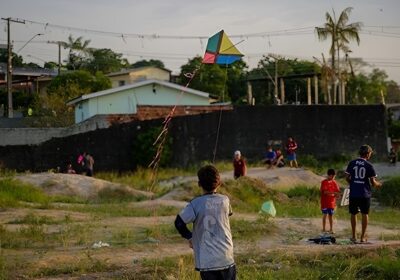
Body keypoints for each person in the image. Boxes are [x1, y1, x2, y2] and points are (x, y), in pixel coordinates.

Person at [174, 165, 236, 280]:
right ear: (219, 183)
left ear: (199, 184)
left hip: (207, 262)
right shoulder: (225, 200)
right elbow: (228, 214)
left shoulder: (195, 204)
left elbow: (179, 222)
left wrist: (189, 236)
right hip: (226, 257)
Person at [345, 144, 382, 243]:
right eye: (370, 153)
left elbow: (347, 178)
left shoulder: (352, 163)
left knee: (353, 213)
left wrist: (353, 183)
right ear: (367, 154)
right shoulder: (369, 165)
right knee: (364, 214)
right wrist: (379, 185)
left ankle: (353, 236)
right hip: (364, 194)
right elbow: (373, 182)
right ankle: (362, 237)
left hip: (354, 193)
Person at [320, 169, 341, 233]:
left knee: (331, 215)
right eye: (334, 176)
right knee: (324, 214)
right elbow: (325, 192)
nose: (334, 177)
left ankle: (331, 229)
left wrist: (338, 195)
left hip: (332, 202)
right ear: (330, 175)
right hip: (325, 202)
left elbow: (337, 191)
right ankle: (323, 229)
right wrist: (335, 193)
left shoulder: (334, 182)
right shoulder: (324, 182)